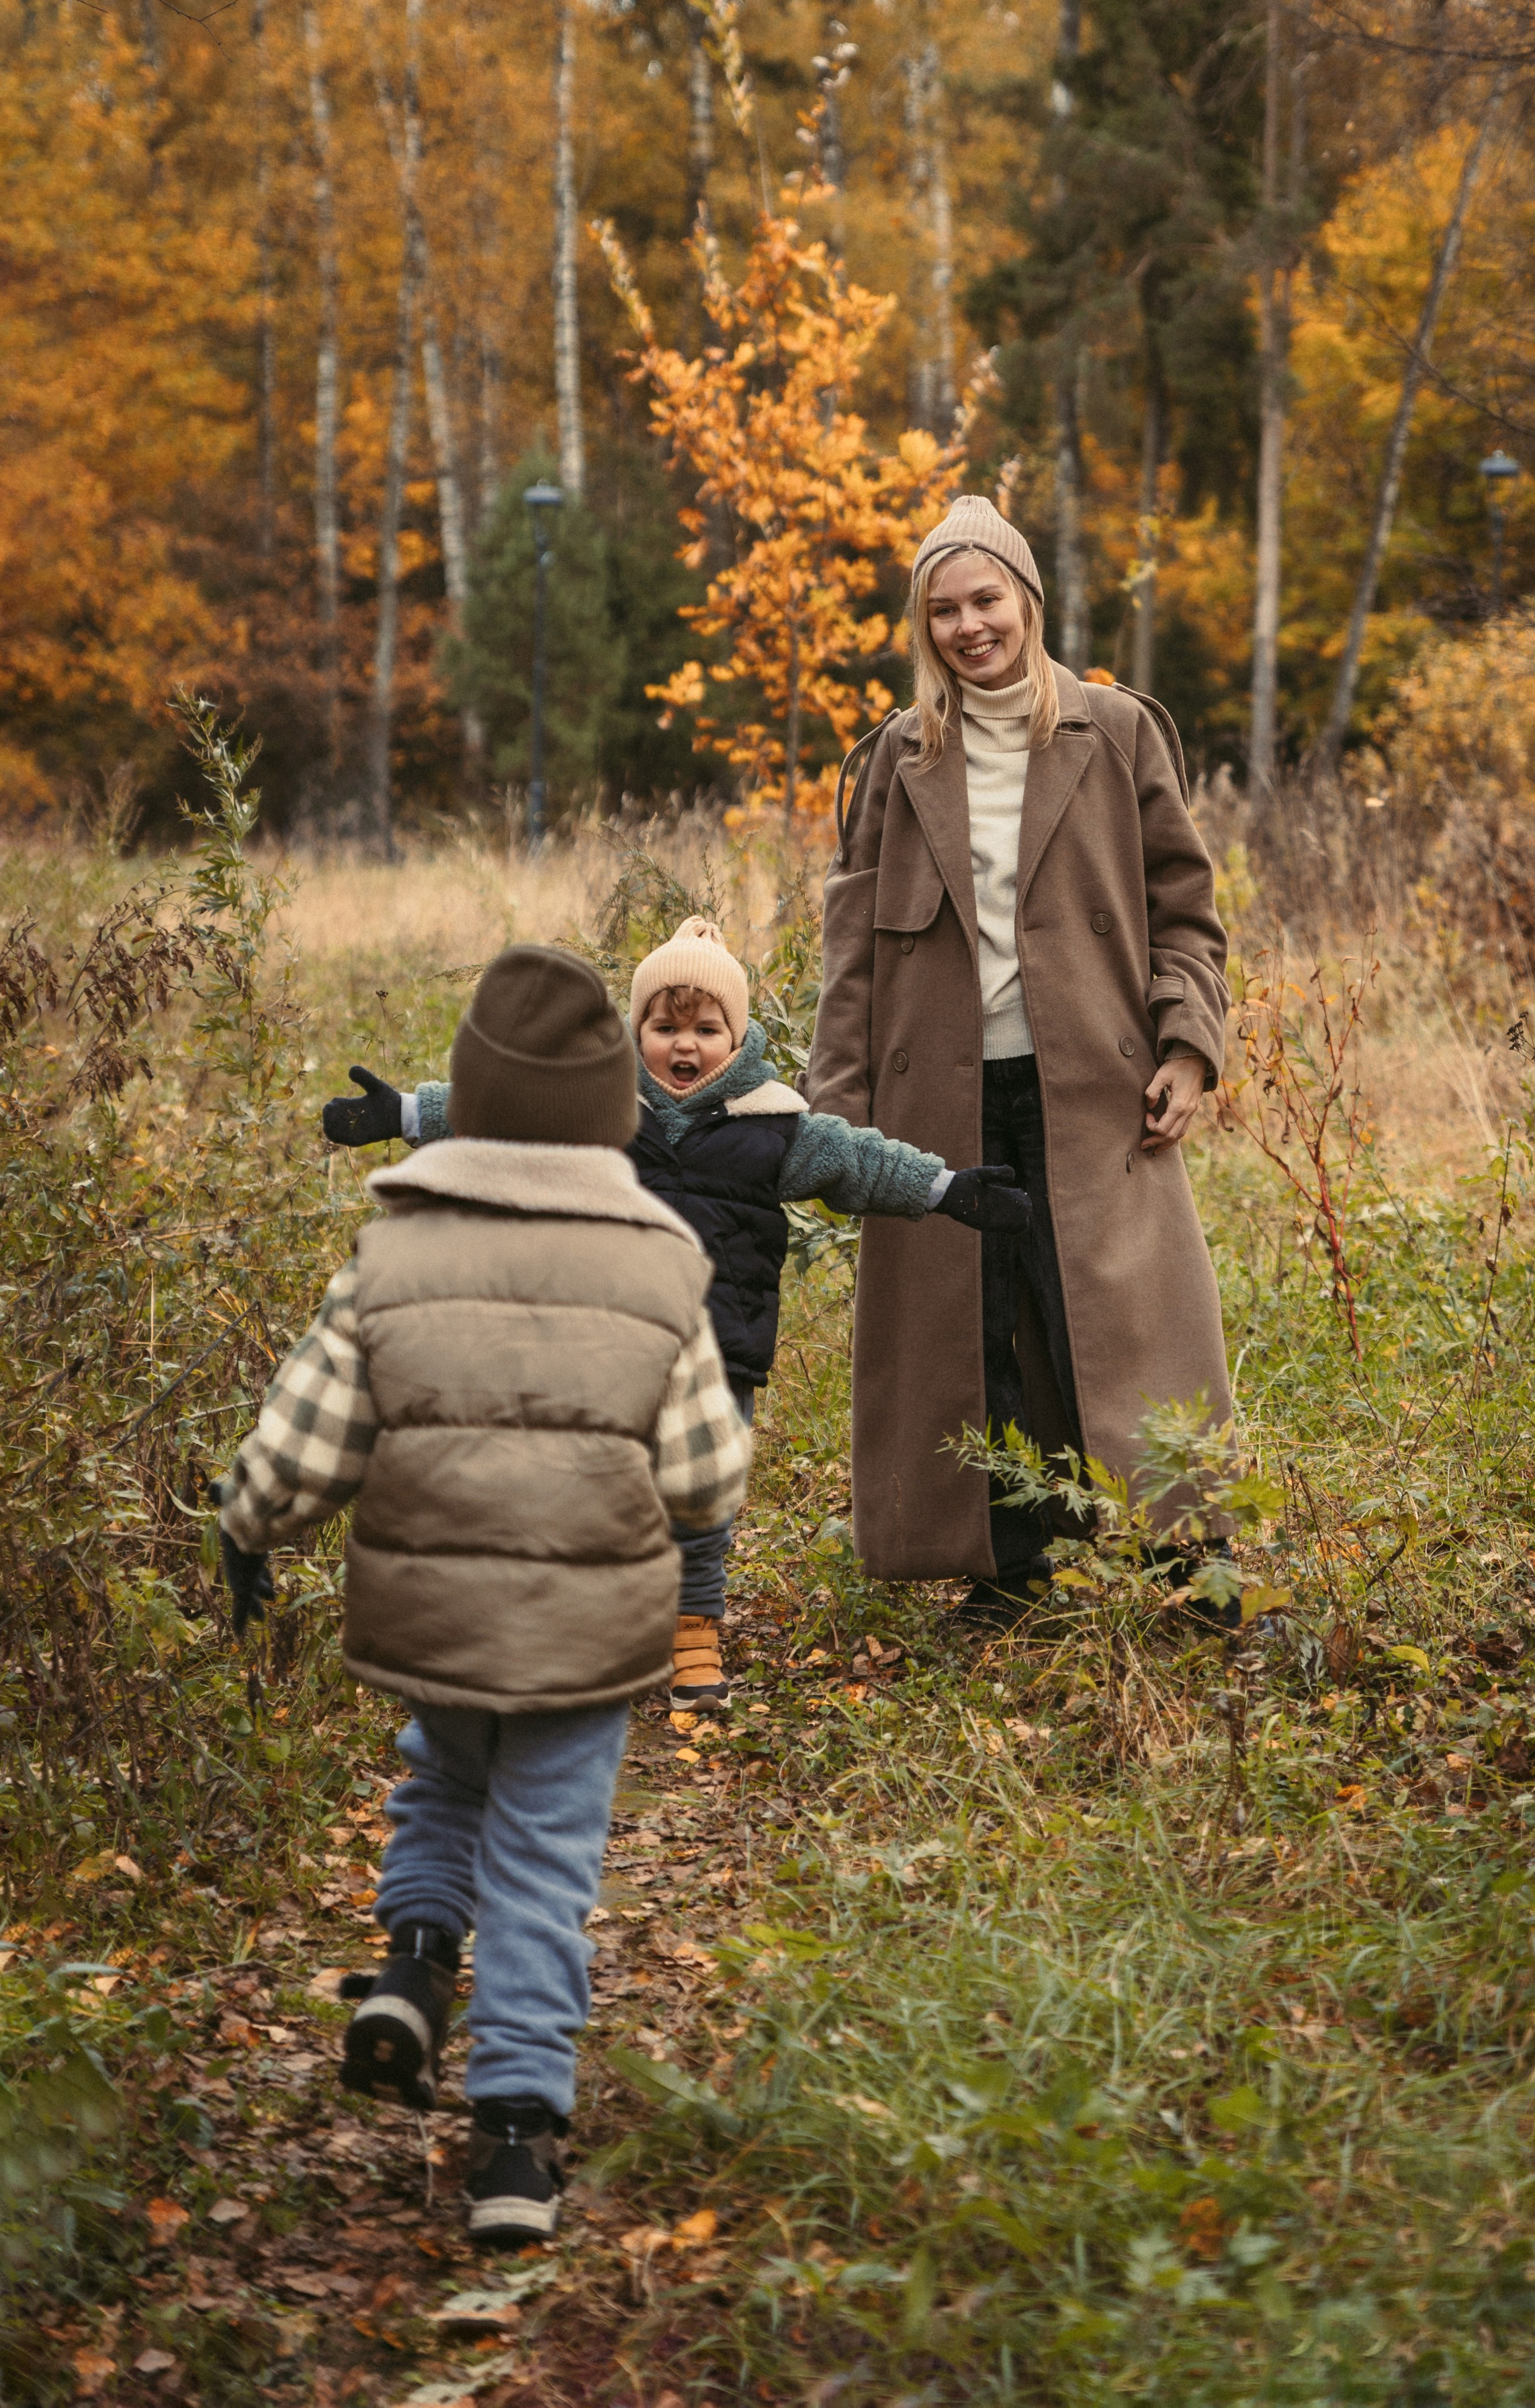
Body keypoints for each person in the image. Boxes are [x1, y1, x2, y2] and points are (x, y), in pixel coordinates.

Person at [216, 946, 752, 2247]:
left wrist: (251, 1529)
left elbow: (304, 1442)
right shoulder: (663, 1265)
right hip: (587, 1636)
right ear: (606, 1108)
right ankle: (514, 2135)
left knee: (444, 1779)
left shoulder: (393, 1253)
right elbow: (705, 1475)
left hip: (432, 1616)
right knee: (544, 1866)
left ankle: (408, 1967)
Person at [320, 917, 1031, 1696]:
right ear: (636, 1031)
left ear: (739, 1036)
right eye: (664, 1026)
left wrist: (946, 1188)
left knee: (698, 1498)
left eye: (704, 1027)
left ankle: (693, 1631)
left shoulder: (775, 1126)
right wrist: (405, 1115)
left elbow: (860, 1162)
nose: (683, 1045)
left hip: (717, 1351)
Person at [804, 492, 1233, 1614]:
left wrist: (1189, 1042)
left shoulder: (1117, 728)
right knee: (973, 1324)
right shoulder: (895, 758)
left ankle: (1185, 1560)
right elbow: (851, 946)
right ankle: (1013, 1562)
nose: (967, 625)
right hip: (937, 1088)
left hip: (1095, 1079)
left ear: (1027, 601)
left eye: (986, 598)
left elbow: (1186, 910)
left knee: (1115, 1316)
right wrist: (834, 1111)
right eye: (942, 608)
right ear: (923, 624)